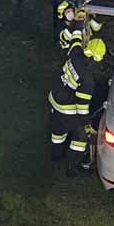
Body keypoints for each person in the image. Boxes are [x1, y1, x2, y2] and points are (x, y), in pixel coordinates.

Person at [47, 37, 106, 176]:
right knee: (80, 139)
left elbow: (75, 38)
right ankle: (73, 169)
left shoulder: (76, 53)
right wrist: (87, 123)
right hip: (68, 110)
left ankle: (56, 155)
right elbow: (82, 107)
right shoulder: (88, 81)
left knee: (57, 132)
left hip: (54, 99)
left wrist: (79, 20)